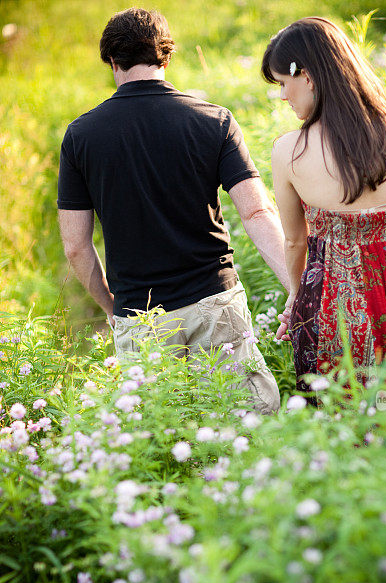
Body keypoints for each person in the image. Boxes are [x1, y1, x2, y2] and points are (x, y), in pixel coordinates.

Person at [58, 7, 289, 414]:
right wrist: (295, 286)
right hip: (214, 303)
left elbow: (76, 247)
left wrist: (114, 309)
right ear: (167, 56)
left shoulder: (81, 137)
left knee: (164, 449)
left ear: (112, 61)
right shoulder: (214, 120)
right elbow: (257, 213)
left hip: (141, 317)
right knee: (253, 430)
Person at [261, 17, 386, 393]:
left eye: (283, 84)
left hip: (331, 318)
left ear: (307, 76)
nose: (284, 96)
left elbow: (295, 243)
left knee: (344, 428)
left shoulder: (289, 151)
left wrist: (297, 294)